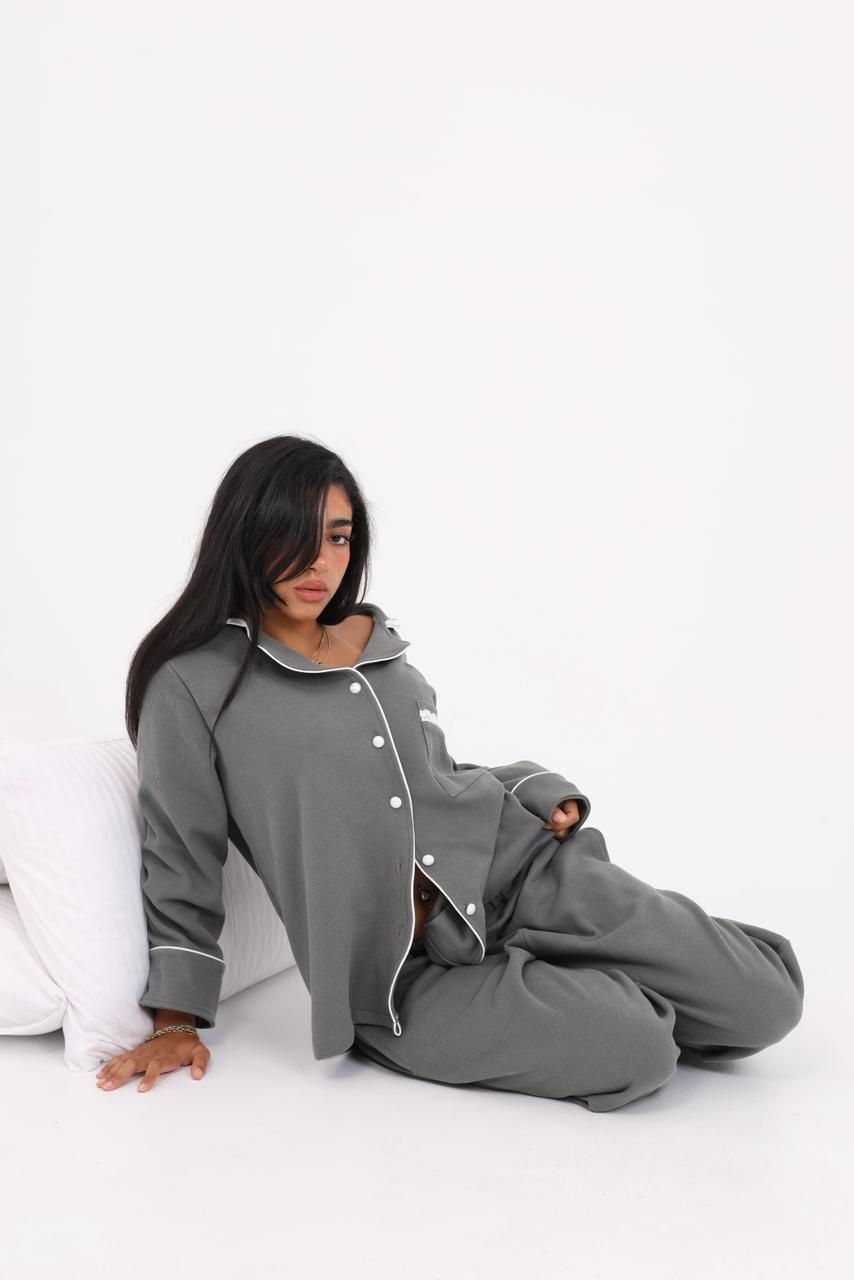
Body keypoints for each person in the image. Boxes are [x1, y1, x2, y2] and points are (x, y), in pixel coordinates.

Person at [96, 435, 804, 1110]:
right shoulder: (192, 684)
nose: (320, 562)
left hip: (523, 872)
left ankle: (616, 963)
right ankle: (595, 981)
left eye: (338, 537)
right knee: (639, 1048)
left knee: (768, 1003)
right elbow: (181, 854)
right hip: (405, 977)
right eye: (295, 535)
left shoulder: (376, 642)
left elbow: (432, 775)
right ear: (246, 534)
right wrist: (174, 1018)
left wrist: (532, 790)